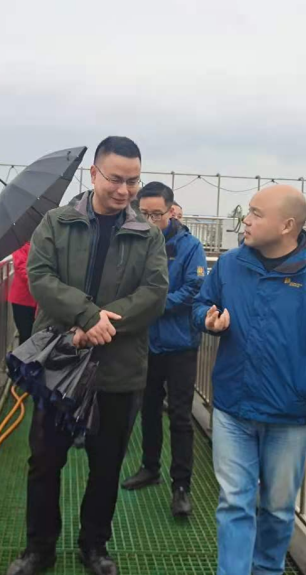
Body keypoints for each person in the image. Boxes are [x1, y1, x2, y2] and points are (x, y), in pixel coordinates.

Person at [6, 136, 169, 575]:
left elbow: (155, 292)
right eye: (115, 179)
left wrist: (101, 325)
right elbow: (40, 276)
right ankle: (39, 549)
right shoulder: (57, 223)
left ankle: (94, 546)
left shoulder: (148, 234)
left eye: (133, 181)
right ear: (94, 173)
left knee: (107, 463)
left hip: (118, 365)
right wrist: (86, 316)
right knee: (44, 461)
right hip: (60, 361)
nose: (124, 190)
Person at [192, 184, 306, 575]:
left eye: (256, 213)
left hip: (289, 414)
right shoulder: (231, 264)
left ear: (287, 225)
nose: (245, 220)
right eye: (247, 211)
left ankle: (267, 569)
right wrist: (207, 320)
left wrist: (304, 385)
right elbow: (200, 303)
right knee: (234, 502)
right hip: (233, 405)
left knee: (279, 509)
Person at [121, 182, 207, 518]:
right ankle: (150, 467)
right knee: (149, 408)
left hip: (180, 344)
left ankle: (181, 486)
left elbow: (194, 289)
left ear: (171, 211)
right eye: (144, 213)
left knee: (181, 416)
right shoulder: (136, 241)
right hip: (147, 341)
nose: (151, 220)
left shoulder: (190, 247)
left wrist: (155, 304)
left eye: (157, 214)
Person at [9, 242, 37, 343]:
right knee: (25, 334)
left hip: (39, 299)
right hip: (23, 299)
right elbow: (21, 267)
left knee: (37, 334)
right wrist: (39, 282)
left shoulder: (42, 244)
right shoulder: (20, 245)